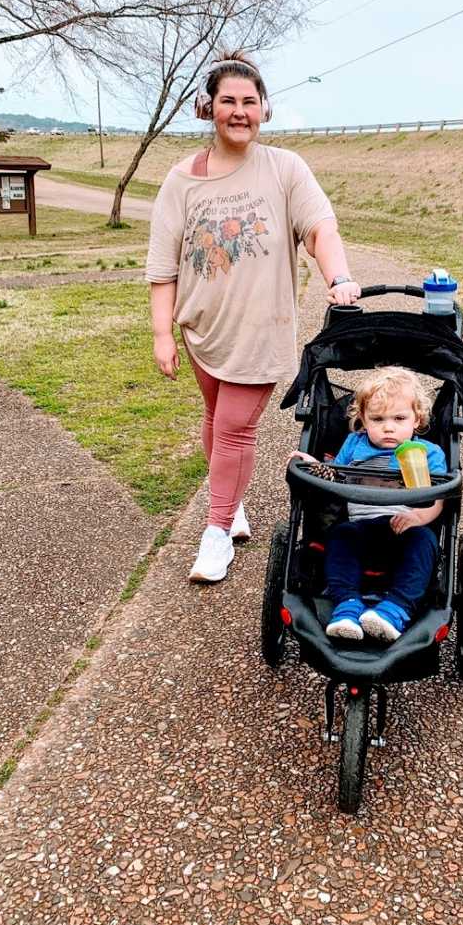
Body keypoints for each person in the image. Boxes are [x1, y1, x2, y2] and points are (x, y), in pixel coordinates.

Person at [146, 51, 361, 583]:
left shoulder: (285, 168)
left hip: (260, 331)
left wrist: (339, 278)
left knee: (235, 429)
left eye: (249, 101)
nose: (238, 111)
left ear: (264, 109)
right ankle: (234, 504)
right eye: (227, 101)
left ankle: (217, 531)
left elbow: (319, 229)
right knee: (216, 420)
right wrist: (162, 332)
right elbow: (162, 264)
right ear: (207, 108)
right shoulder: (181, 181)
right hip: (202, 330)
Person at [291, 366, 447, 642]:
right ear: (363, 420)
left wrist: (420, 517)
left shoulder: (428, 453)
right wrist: (314, 466)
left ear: (416, 419)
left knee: (425, 542)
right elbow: (334, 475)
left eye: (399, 418)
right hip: (360, 528)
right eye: (378, 419)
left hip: (405, 528)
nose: (389, 427)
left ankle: (394, 609)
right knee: (339, 536)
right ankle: (347, 606)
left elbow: (438, 498)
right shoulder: (355, 444)